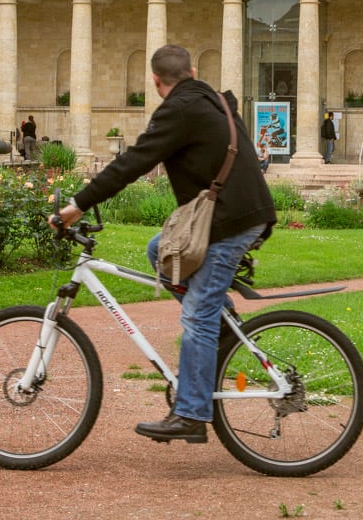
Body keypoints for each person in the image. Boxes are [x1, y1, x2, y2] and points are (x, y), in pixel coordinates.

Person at [52, 44, 275, 444]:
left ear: (156, 81)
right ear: (190, 70)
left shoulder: (180, 109)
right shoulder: (207, 97)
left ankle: (190, 414)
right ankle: (224, 328)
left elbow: (132, 163)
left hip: (230, 221)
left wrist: (77, 206)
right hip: (236, 213)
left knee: (196, 317)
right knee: (159, 250)